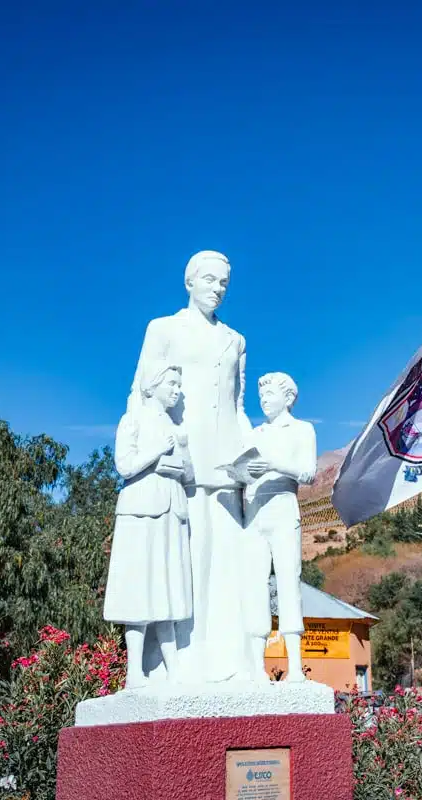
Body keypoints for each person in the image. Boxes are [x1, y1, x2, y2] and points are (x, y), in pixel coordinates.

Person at [130, 250, 254, 682]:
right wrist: (139, 452)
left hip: (225, 466)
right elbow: (141, 393)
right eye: (210, 280)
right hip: (179, 464)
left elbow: (239, 406)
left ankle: (229, 660)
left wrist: (251, 451)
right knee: (180, 558)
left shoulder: (235, 340)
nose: (218, 288)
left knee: (226, 559)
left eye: (224, 282)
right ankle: (175, 660)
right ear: (189, 282)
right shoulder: (163, 330)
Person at [104, 362, 193, 688]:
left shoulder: (177, 427)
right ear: (153, 385)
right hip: (141, 508)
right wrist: (158, 453)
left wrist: (179, 456)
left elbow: (189, 474)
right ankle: (134, 673)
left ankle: (174, 669)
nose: (176, 389)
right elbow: (125, 465)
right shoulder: (133, 420)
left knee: (168, 588)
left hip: (172, 508)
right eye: (171, 382)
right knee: (138, 590)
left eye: (178, 383)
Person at [242, 372, 317, 682]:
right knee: (255, 584)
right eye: (261, 396)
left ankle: (296, 667)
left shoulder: (302, 430)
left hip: (284, 508)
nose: (264, 400)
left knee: (288, 582)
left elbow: (309, 473)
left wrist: (273, 464)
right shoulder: (254, 432)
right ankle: (256, 666)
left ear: (287, 398)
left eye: (270, 394)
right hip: (254, 510)